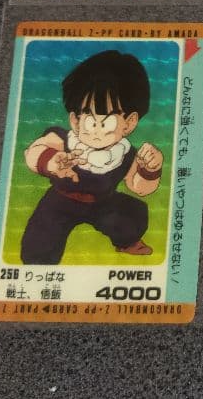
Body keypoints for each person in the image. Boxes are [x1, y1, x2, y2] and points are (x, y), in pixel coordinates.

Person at [20, 50, 163, 264]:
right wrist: (51, 161)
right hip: (60, 200)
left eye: (107, 121)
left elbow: (139, 187)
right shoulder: (64, 140)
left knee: (132, 215)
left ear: (129, 123)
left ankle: (127, 242)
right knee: (40, 240)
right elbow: (34, 152)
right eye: (89, 119)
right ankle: (37, 265)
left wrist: (150, 168)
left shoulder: (125, 153)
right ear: (75, 120)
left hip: (103, 203)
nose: (96, 130)